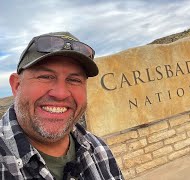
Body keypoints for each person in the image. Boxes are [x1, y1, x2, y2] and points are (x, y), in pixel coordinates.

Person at [0, 32, 124, 179]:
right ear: (16, 85)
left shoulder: (98, 148)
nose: (60, 94)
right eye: (45, 77)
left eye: (74, 80)